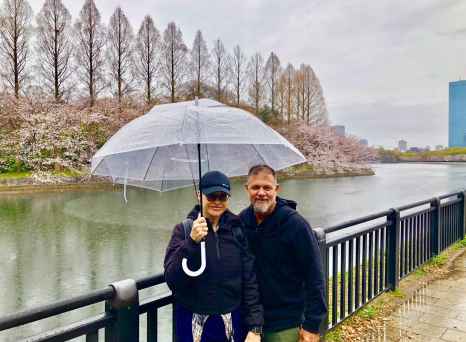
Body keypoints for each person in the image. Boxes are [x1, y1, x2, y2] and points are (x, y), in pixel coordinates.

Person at [164, 170, 264, 342]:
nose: (217, 202)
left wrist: (255, 327)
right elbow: (172, 279)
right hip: (192, 324)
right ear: (199, 195)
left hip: (233, 324)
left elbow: (249, 280)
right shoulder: (184, 230)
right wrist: (191, 243)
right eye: (211, 196)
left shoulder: (237, 229)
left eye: (222, 197)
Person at [239, 165, 327, 342]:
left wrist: (312, 324)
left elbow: (315, 275)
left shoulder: (295, 225)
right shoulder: (241, 221)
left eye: (267, 187)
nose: (261, 193)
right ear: (247, 188)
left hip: (286, 323)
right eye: (255, 187)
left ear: (276, 189)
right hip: (249, 322)